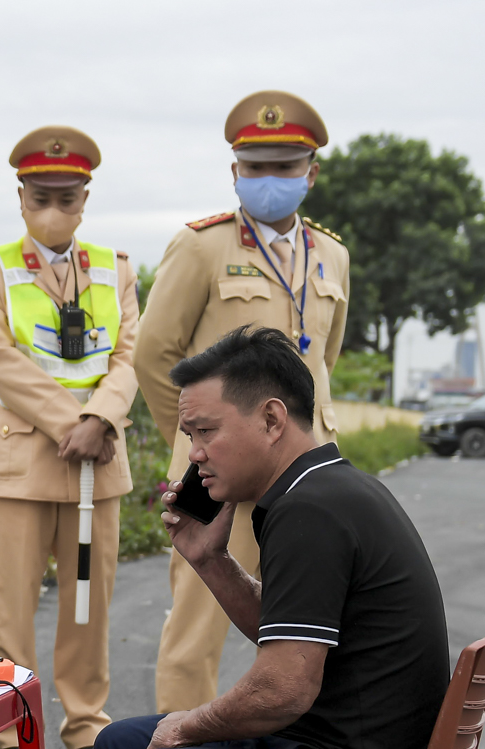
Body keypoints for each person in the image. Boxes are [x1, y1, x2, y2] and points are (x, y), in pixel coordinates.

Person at [60, 327, 449, 749]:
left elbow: (286, 685)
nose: (195, 455)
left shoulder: (311, 511)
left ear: (271, 417)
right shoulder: (330, 488)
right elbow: (290, 639)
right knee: (116, 744)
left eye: (205, 431)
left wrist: (189, 725)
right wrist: (210, 559)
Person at [134, 90, 350, 715]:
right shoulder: (201, 247)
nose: (269, 180)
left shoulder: (332, 255)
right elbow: (155, 354)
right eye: (255, 167)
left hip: (304, 469)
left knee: (304, 624)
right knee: (196, 625)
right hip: (214, 468)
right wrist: (196, 443)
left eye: (285, 166)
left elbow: (322, 363)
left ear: (311, 171)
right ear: (234, 172)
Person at [0, 125, 140, 749]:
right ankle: (11, 727)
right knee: (11, 607)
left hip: (97, 464)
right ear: (20, 197)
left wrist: (101, 419)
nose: (55, 209)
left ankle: (85, 727)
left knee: (89, 605)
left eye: (68, 197)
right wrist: (80, 422)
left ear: (85, 197)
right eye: (42, 196)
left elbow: (129, 355)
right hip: (21, 464)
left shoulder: (115, 267)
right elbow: (0, 361)